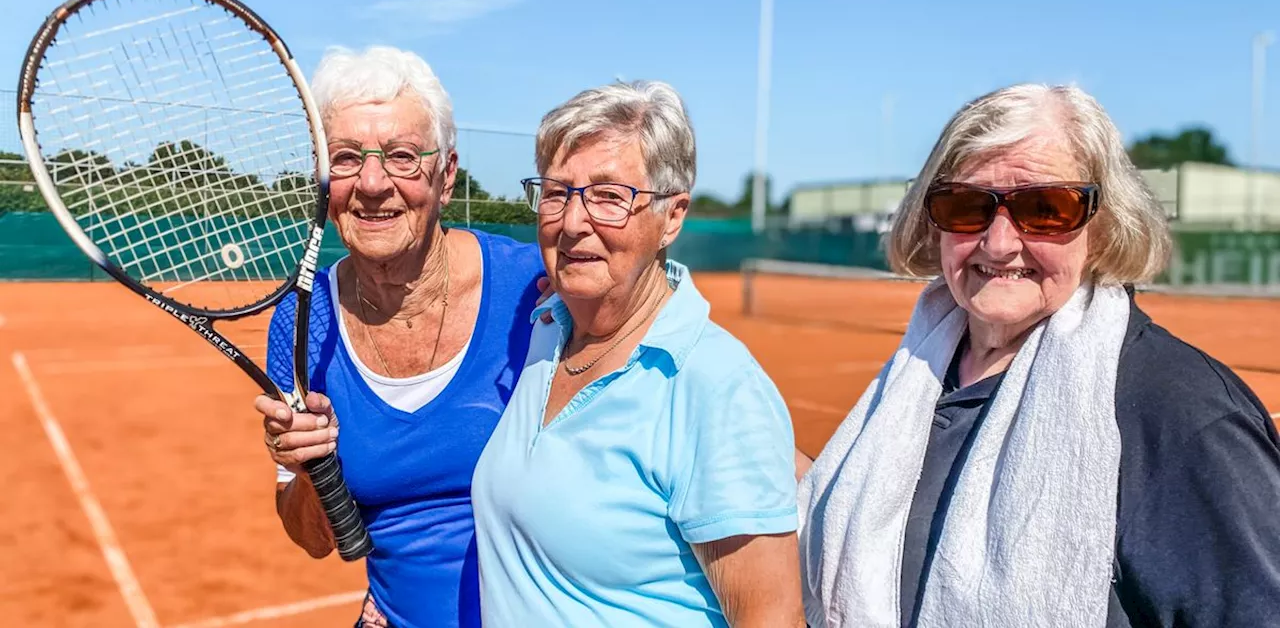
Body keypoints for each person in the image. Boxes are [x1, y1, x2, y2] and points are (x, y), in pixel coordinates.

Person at [796, 83, 1280, 628]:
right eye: (966, 205)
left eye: (1045, 209)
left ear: (1102, 224)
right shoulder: (916, 376)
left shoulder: (1182, 413)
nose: (999, 243)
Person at [470, 80, 806, 627]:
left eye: (609, 196)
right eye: (556, 192)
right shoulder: (546, 330)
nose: (574, 222)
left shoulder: (715, 385)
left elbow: (772, 618)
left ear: (672, 216)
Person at [253, 45, 546, 628]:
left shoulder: (536, 291)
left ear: (446, 173)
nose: (372, 183)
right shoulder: (300, 323)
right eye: (344, 158)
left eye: (403, 156)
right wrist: (310, 469)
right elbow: (313, 537)